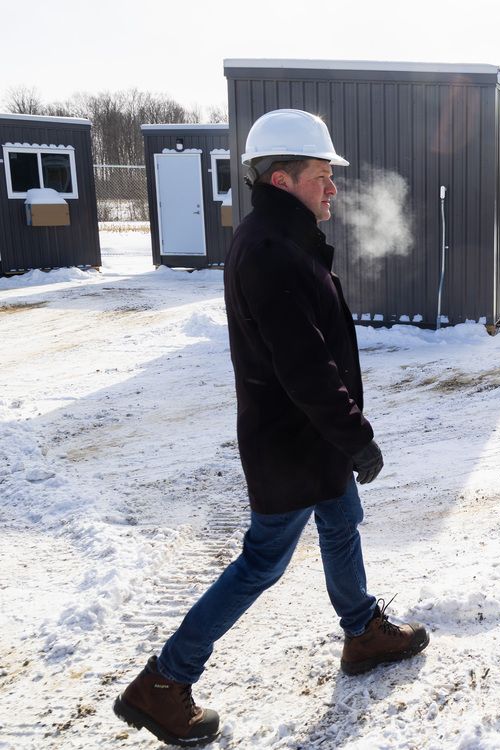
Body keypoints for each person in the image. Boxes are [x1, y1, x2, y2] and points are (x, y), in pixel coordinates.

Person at [113, 109, 429, 747]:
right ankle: (163, 684)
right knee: (262, 562)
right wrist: (356, 436)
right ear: (282, 179)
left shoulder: (285, 241)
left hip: (312, 440)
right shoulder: (269, 252)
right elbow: (306, 367)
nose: (333, 187)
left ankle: (362, 631)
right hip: (291, 443)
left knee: (342, 524)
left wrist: (342, 439)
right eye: (322, 175)